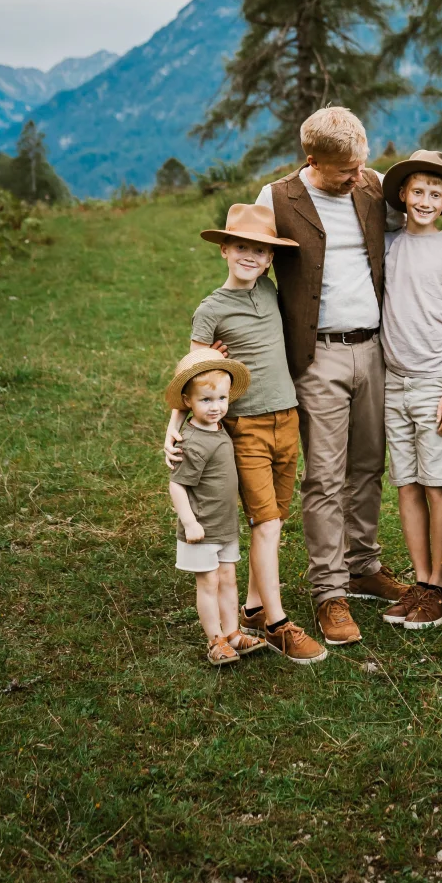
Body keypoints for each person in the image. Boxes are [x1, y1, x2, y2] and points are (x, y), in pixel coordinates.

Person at [255, 106, 405, 646]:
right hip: (316, 357)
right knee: (324, 475)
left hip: (374, 347)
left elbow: (408, 234)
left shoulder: (374, 186)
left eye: (362, 165)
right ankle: (328, 591)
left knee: (368, 465)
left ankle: (364, 564)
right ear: (312, 159)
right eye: (346, 170)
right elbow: (248, 266)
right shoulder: (275, 200)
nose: (357, 177)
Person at [163, 205, 327, 665]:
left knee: (274, 516)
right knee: (266, 522)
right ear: (224, 250)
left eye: (260, 250)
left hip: (287, 418)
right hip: (247, 426)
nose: (251, 257)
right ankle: (277, 623)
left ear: (271, 258)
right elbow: (191, 377)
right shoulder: (210, 309)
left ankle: (251, 609)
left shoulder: (272, 293)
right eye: (242, 248)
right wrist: (173, 427)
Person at [378, 150, 442, 629]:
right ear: (402, 194)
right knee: (407, 484)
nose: (425, 200)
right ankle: (419, 580)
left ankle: (441, 583)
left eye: (436, 193)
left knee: (438, 485)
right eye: (417, 191)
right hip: (392, 382)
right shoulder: (388, 245)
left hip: (434, 380)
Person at [165, 352, 267, 666]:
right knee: (208, 582)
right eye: (206, 400)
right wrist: (190, 522)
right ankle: (215, 640)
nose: (216, 407)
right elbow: (177, 484)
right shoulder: (193, 442)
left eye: (221, 398)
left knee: (228, 578)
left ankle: (233, 633)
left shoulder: (219, 427)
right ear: (188, 401)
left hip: (224, 525)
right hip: (202, 528)